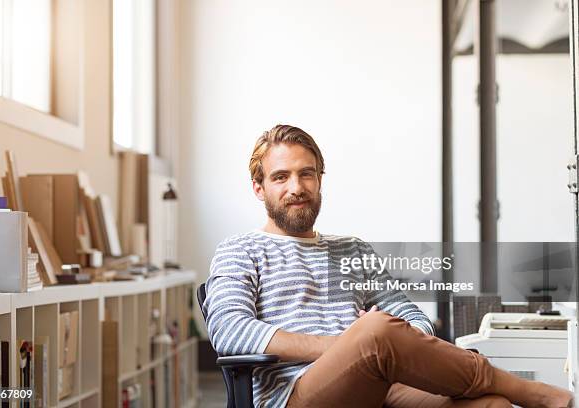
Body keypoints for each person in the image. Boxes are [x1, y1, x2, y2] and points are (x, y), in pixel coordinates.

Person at [203, 124, 573, 408]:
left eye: (307, 173)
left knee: (491, 404)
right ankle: (535, 393)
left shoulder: (353, 248)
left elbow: (413, 319)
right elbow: (229, 330)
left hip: (382, 383)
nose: (296, 187)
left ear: (320, 180)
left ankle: (505, 389)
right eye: (281, 177)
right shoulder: (239, 249)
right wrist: (349, 344)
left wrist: (383, 342)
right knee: (376, 330)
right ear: (258, 188)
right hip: (295, 393)